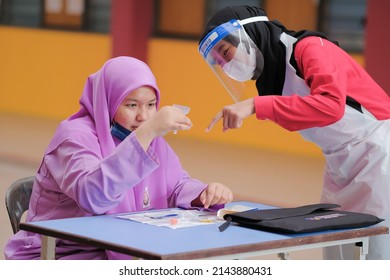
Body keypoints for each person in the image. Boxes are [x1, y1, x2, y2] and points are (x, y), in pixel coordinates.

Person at [198, 5, 390, 260]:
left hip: (379, 153)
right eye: (220, 62)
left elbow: (331, 106)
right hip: (339, 162)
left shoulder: (309, 48)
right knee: (335, 251)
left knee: (376, 251)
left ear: (250, 33)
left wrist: (256, 105)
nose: (227, 65)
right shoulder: (272, 78)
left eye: (226, 52)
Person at [4, 56, 233, 260]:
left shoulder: (145, 138)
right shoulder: (74, 137)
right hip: (63, 254)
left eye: (151, 105)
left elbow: (174, 185)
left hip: (120, 250)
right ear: (108, 101)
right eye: (131, 105)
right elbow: (92, 196)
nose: (143, 117)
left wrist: (203, 193)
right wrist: (147, 132)